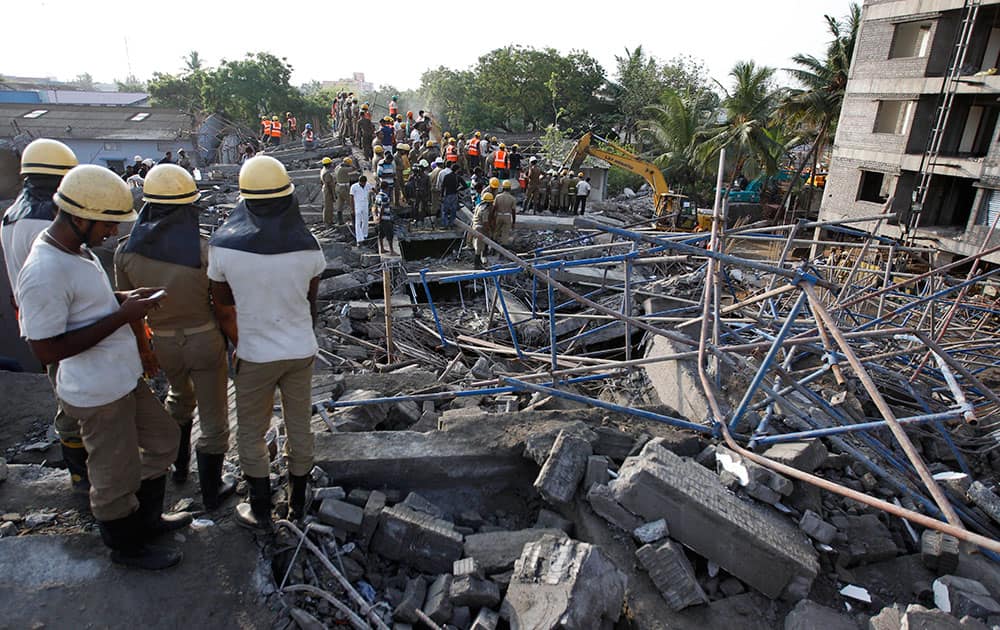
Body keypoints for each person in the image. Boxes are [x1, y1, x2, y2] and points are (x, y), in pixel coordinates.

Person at [17, 164, 191, 569]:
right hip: (95, 392)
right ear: (79, 217)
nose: (112, 233)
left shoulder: (75, 252)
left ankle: (146, 518)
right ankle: (125, 547)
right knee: (113, 472)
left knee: (164, 438)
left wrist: (126, 297)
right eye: (106, 225)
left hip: (122, 379)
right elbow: (45, 350)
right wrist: (122, 314)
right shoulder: (43, 271)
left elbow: (87, 305)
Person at [207, 156, 326, 533]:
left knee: (252, 432)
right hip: (300, 351)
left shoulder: (223, 249)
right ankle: (297, 505)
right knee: (299, 427)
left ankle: (260, 509)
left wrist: (243, 343)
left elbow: (223, 306)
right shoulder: (309, 249)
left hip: (255, 354)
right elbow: (311, 303)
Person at [114, 164, 237, 510]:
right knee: (214, 418)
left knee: (179, 398)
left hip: (162, 343)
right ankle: (212, 491)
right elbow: (222, 305)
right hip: (203, 340)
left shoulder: (126, 253)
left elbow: (129, 309)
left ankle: (179, 469)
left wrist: (144, 350)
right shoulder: (202, 251)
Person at [1, 139, 89, 493]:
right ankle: (83, 476)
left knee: (62, 389)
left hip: (31, 316)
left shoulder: (11, 217)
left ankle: (81, 470)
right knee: (71, 399)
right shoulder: (48, 224)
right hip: (62, 322)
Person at [470, 192, 495, 269]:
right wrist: (489, 230)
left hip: (475, 226)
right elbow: (485, 223)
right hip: (480, 228)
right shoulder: (485, 210)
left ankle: (481, 259)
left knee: (480, 244)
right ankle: (477, 264)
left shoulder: (479, 205)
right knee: (479, 246)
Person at [374, 182, 396, 255]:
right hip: (385, 218)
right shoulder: (385, 197)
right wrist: (380, 217)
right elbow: (383, 207)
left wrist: (377, 216)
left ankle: (382, 248)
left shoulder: (377, 196)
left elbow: (376, 207)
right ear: (386, 188)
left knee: (381, 234)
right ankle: (392, 251)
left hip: (381, 218)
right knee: (390, 234)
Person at [439, 162, 463, 229]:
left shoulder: (447, 177)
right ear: (457, 170)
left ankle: (445, 225)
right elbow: (465, 186)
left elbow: (443, 187)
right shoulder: (457, 177)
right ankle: (452, 224)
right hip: (454, 195)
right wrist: (459, 189)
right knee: (453, 210)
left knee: (445, 211)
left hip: (447, 195)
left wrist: (441, 196)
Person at [350, 175, 373, 245]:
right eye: (362, 183)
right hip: (358, 205)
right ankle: (359, 239)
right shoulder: (354, 187)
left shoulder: (367, 185)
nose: (364, 184)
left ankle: (364, 235)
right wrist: (352, 209)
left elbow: (373, 189)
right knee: (358, 222)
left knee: (365, 220)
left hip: (365, 204)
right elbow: (351, 198)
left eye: (364, 183)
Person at [493, 180, 517, 247]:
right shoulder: (512, 198)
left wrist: (492, 216)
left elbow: (494, 208)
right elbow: (513, 211)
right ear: (510, 188)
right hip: (507, 216)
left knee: (496, 231)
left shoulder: (498, 196)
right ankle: (504, 246)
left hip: (499, 215)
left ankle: (493, 244)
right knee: (505, 232)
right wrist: (514, 222)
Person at [334, 157, 356, 225]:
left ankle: (340, 221)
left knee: (340, 204)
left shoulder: (337, 168)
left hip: (338, 187)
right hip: (345, 188)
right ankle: (354, 221)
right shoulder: (344, 169)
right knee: (351, 203)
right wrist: (351, 164)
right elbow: (354, 168)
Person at [411, 160, 431, 229]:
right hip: (419, 192)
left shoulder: (426, 176)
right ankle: (417, 219)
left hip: (422, 193)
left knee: (422, 207)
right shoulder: (416, 176)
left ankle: (420, 219)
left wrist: (428, 195)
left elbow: (429, 186)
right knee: (416, 206)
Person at [320, 157, 336, 226]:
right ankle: (328, 221)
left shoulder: (323, 170)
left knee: (327, 206)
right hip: (328, 190)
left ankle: (328, 220)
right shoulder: (327, 173)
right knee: (328, 206)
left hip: (325, 188)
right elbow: (329, 184)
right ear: (328, 164)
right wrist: (332, 195)